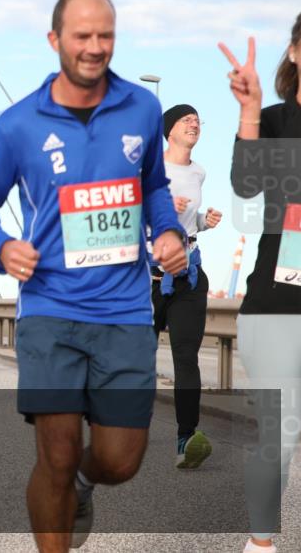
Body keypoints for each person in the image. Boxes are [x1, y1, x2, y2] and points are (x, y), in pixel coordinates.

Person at [0, 0, 186, 552]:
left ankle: (85, 485)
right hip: (51, 309)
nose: (94, 47)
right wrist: (1, 247)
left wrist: (167, 230)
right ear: (54, 39)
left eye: (105, 35)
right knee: (55, 455)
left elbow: (155, 186)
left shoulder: (142, 108)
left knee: (120, 459)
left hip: (125, 311)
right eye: (82, 36)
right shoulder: (16, 124)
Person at [221, 17, 301, 553]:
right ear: (295, 52)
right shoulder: (274, 123)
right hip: (280, 303)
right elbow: (246, 184)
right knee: (280, 436)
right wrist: (249, 113)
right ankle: (261, 543)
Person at [152, 104, 223, 469]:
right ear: (169, 130)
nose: (195, 123)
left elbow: (187, 220)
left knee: (185, 358)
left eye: (198, 119)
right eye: (187, 119)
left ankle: (186, 438)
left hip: (188, 276)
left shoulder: (198, 172)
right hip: (147, 278)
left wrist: (203, 220)